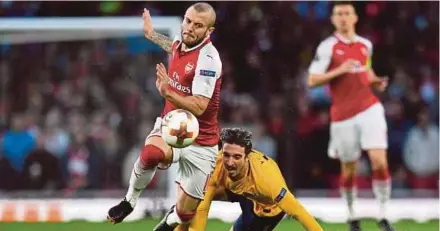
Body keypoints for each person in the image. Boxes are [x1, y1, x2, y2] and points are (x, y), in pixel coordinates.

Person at [106, 3, 223, 231]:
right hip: (173, 125)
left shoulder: (209, 60)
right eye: (188, 21)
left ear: (209, 31)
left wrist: (168, 91)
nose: (190, 28)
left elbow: (199, 106)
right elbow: (174, 47)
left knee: (185, 213)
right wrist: (151, 35)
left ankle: (171, 219)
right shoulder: (183, 42)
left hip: (202, 141)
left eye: (198, 25)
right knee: (151, 153)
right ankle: (129, 200)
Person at [307, 2, 394, 231]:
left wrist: (375, 81)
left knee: (379, 161)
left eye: (347, 13)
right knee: (349, 169)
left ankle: (384, 215)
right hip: (343, 115)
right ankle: (352, 215)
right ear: (333, 19)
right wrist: (339, 70)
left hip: (370, 108)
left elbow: (367, 71)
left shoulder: (366, 45)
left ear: (355, 17)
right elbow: (312, 80)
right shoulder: (328, 47)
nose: (343, 17)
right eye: (338, 14)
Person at [175, 128, 324, 231]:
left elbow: (298, 212)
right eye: (226, 154)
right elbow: (203, 206)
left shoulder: (267, 181)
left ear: (248, 156)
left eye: (237, 157)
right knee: (191, 198)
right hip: (236, 190)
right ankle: (172, 224)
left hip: (264, 207)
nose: (230, 162)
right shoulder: (217, 162)